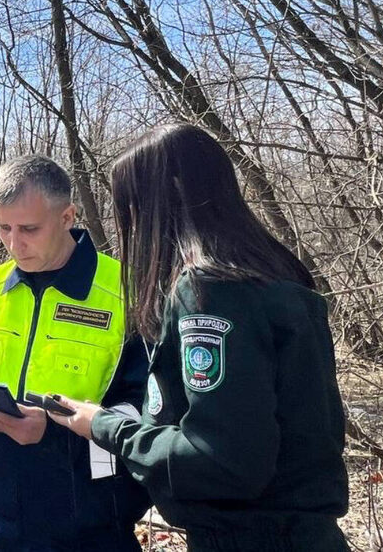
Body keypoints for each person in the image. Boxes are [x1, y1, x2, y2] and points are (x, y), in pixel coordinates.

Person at [47, 124, 349, 551]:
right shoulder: (276, 276)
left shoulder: (209, 292)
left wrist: (103, 426)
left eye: (129, 208)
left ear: (161, 199)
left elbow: (220, 461)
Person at [0, 155, 150, 551]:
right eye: (3, 228)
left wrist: (54, 434)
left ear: (67, 216)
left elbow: (148, 410)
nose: (14, 243)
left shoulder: (126, 293)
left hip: (91, 523)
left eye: (29, 229)